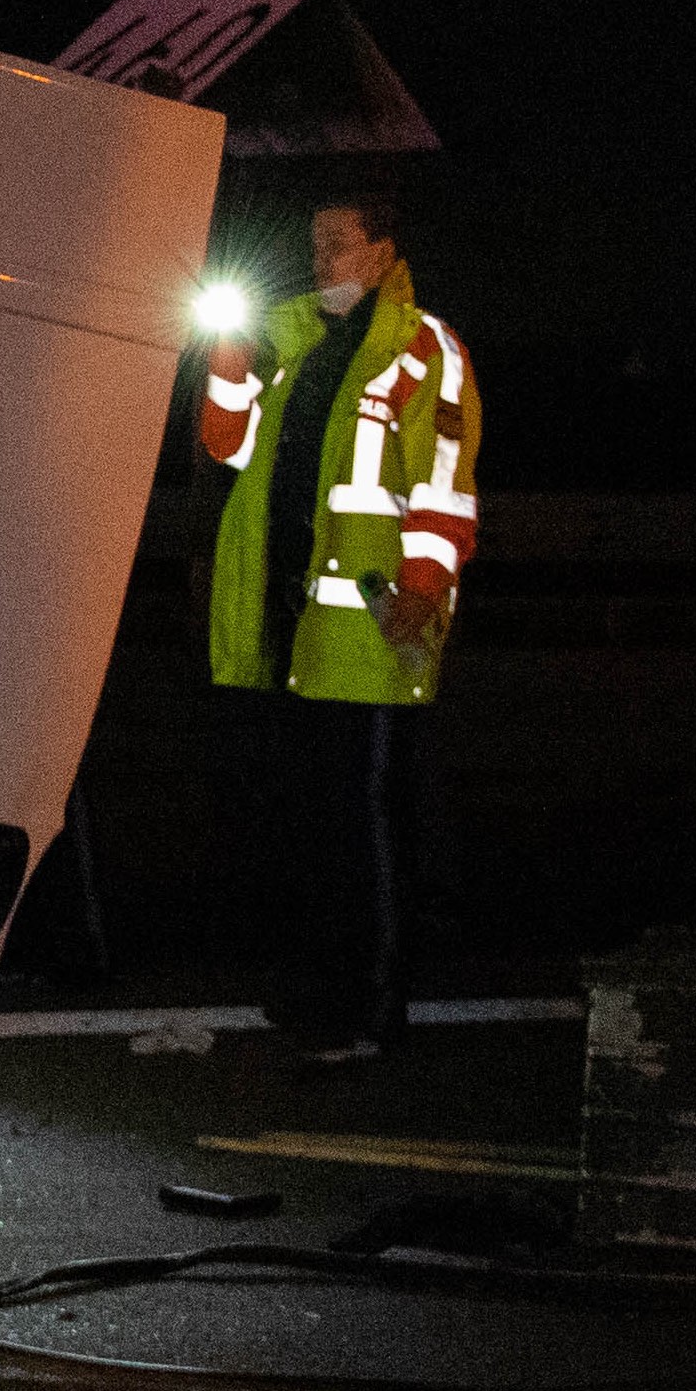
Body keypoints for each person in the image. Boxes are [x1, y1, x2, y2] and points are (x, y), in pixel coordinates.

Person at [197, 188, 482, 1058]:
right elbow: (226, 446)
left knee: (367, 822)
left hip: (372, 622)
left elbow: (441, 474)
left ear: (382, 252)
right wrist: (229, 357)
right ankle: (314, 993)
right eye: (313, 243)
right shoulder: (291, 342)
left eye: (337, 243)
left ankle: (375, 1009)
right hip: (290, 625)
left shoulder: (422, 346)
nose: (318, 259)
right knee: (305, 819)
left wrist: (421, 588)